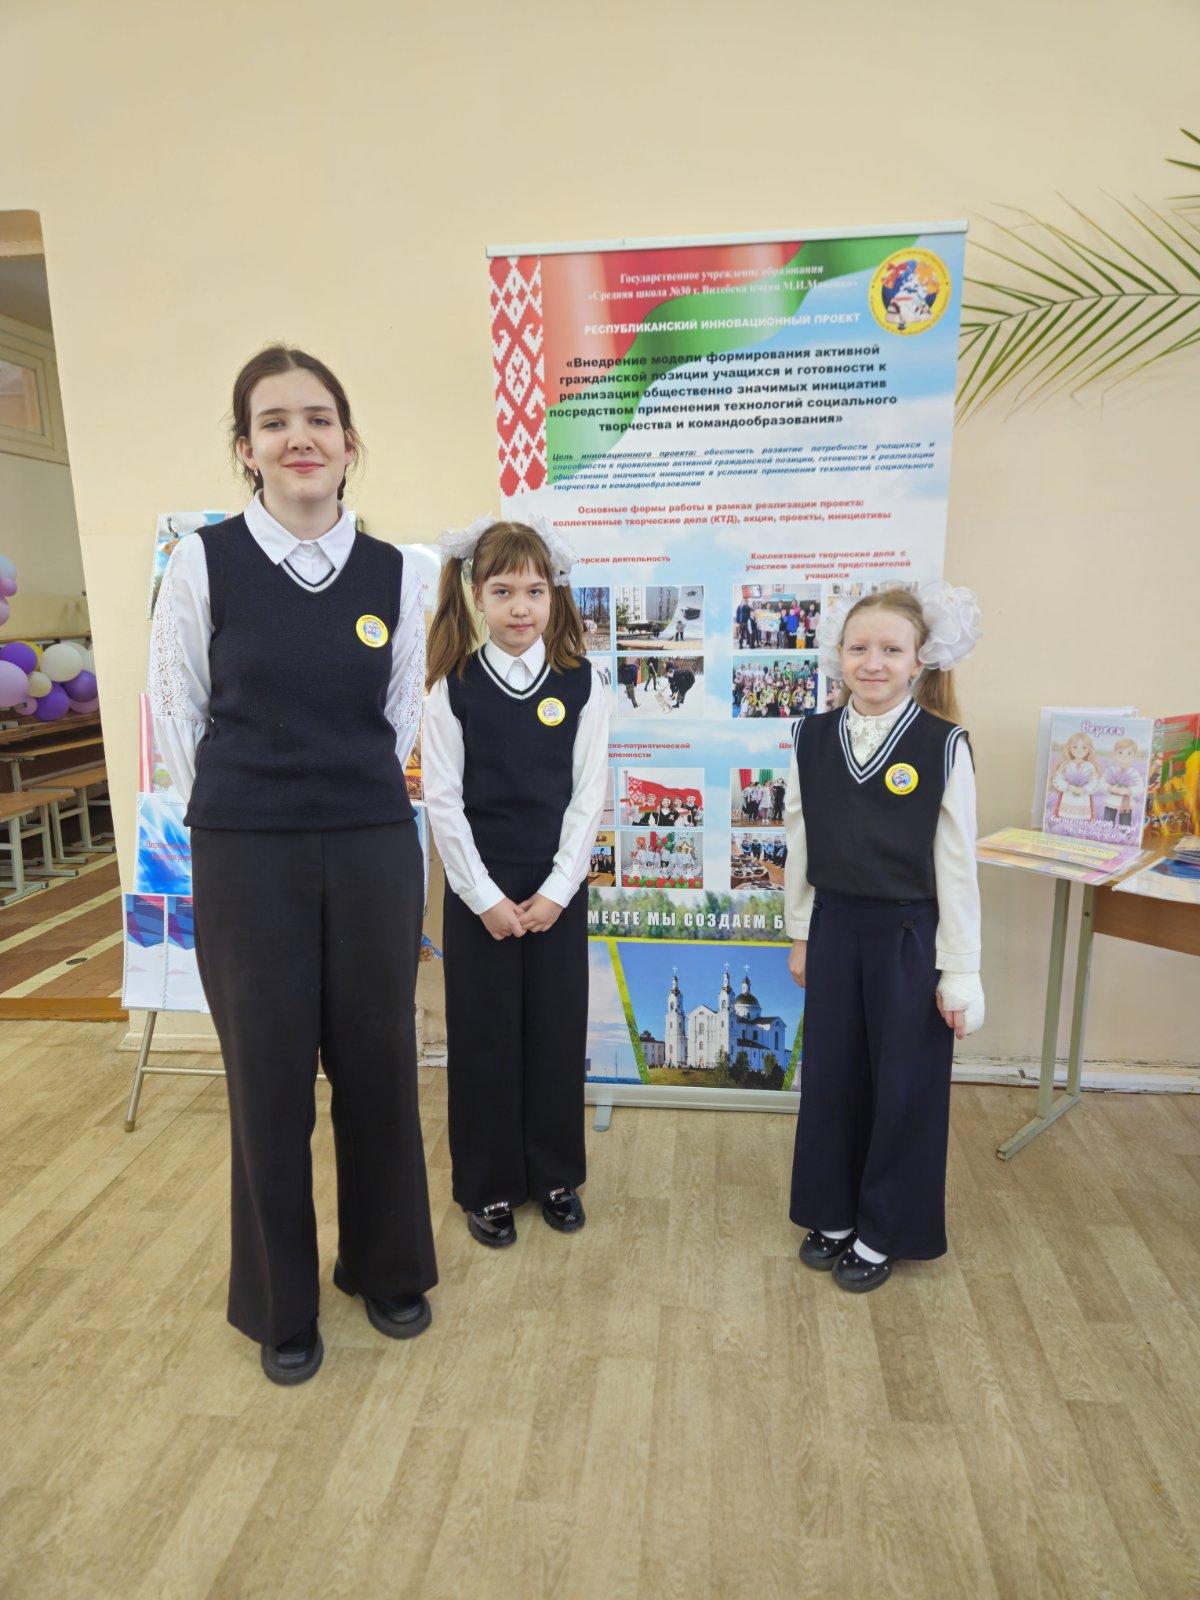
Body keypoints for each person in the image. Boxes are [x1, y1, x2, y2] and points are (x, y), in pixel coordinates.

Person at [147, 345, 437, 1385]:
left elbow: (399, 712)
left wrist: (338, 796)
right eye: (273, 422)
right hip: (247, 853)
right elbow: (175, 706)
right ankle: (281, 1302)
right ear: (246, 449)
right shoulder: (202, 562)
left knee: (379, 1065)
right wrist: (245, 808)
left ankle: (385, 1264)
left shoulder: (403, 571)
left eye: (318, 418)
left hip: (369, 844)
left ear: (350, 442)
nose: (298, 437)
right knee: (267, 1080)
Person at [785, 584, 984, 1294]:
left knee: (903, 1086)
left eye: (891, 650)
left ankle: (883, 1228)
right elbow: (801, 841)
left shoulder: (942, 743)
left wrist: (960, 969)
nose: (874, 662)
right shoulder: (810, 736)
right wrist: (802, 933)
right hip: (836, 928)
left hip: (909, 938)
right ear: (837, 654)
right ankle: (833, 1212)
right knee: (832, 1076)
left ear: (919, 660)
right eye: (860, 648)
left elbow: (956, 865)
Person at [423, 516, 610, 1248]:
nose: (520, 607)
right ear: (476, 595)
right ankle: (489, 1185)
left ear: (553, 594)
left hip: (556, 891)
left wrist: (560, 890)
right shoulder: (452, 688)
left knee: (555, 1034)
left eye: (534, 590)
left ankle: (555, 1175)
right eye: (503, 591)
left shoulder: (583, 682)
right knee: (485, 1038)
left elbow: (589, 795)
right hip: (481, 895)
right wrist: (485, 899)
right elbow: (443, 803)